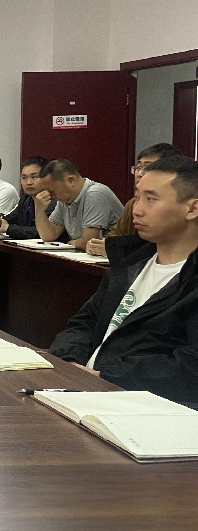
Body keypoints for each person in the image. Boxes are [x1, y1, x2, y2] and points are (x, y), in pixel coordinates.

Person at [49, 156, 198, 407]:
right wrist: (69, 362)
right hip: (83, 390)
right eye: (137, 198)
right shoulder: (130, 262)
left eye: (151, 199)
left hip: (141, 405)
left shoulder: (190, 279)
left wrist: (105, 376)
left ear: (192, 209)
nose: (136, 209)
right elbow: (84, 322)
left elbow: (190, 364)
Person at [86, 143, 183, 257]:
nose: (139, 173)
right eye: (138, 168)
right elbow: (115, 235)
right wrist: (100, 245)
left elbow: (160, 245)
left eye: (147, 168)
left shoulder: (176, 205)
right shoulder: (133, 203)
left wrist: (118, 249)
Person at [35, 158, 125, 251]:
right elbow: (48, 236)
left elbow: (89, 242)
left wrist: (71, 243)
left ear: (71, 180)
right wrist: (39, 210)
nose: (51, 196)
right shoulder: (64, 199)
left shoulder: (95, 194)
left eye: (52, 191)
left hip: (115, 256)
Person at [0, 156, 61, 239]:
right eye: (24, 178)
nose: (28, 182)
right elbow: (9, 219)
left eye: (34, 177)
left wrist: (8, 229)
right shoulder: (26, 199)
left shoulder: (55, 201)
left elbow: (41, 232)